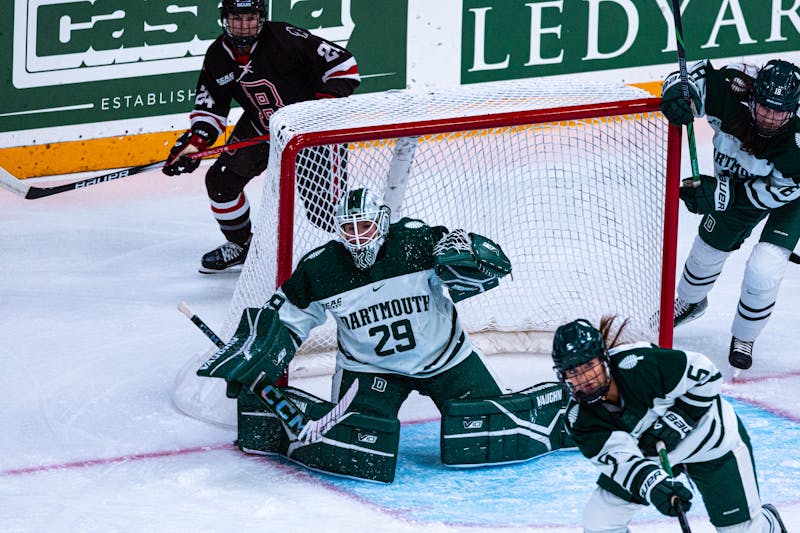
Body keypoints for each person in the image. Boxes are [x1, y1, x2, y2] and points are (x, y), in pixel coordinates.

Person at [196, 187, 573, 482]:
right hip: (370, 369)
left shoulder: (414, 241)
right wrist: (259, 352)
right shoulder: (323, 267)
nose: (358, 237)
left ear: (382, 220)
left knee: (491, 430)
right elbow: (289, 317)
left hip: (446, 359)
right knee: (355, 446)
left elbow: (467, 257)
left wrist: (471, 255)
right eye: (349, 228)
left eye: (366, 226)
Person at [162, 0, 360, 273]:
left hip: (311, 132)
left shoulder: (285, 38)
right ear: (225, 19)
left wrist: (318, 110)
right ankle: (242, 246)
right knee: (221, 183)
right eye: (236, 18)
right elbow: (210, 107)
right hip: (262, 128)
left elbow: (343, 64)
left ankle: (362, 251)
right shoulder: (217, 56)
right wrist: (196, 141)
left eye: (250, 18)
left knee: (324, 211)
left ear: (261, 17)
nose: (244, 26)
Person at [550, 316, 787, 532]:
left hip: (710, 443)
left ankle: (769, 524)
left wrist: (679, 420)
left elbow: (707, 375)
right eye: (573, 371)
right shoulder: (579, 419)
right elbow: (623, 462)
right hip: (650, 458)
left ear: (604, 360)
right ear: (563, 376)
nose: (585, 379)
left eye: (589, 366)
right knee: (600, 521)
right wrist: (655, 485)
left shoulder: (639, 364)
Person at [660, 58, 800, 371]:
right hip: (736, 181)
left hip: (790, 197)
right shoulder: (731, 89)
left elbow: (781, 191)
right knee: (706, 251)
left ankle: (745, 337)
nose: (769, 117)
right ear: (754, 96)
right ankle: (691, 301)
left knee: (765, 266)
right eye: (764, 106)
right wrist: (677, 96)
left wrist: (722, 196)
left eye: (779, 111)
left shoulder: (797, 144)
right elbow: (686, 79)